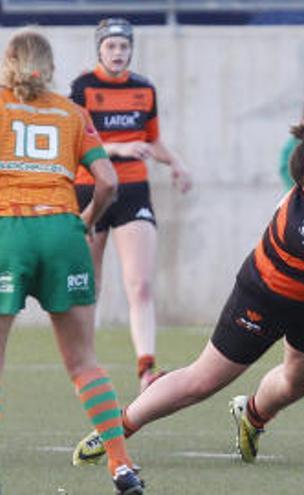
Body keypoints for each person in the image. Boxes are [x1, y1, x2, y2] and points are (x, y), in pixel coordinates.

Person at [71, 135, 304, 466]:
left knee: (302, 381)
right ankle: (115, 428)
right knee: (202, 380)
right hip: (266, 297)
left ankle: (252, 415)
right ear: (300, 187)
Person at [0, 29, 144, 494]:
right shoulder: (72, 111)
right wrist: (85, 221)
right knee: (84, 362)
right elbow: (107, 183)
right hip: (64, 230)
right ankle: (121, 466)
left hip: (9, 230)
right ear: (51, 66)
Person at [70, 18, 193, 392]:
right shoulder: (84, 87)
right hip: (90, 189)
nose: (118, 53)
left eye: (124, 47)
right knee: (89, 284)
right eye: (111, 47)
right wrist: (118, 148)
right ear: (99, 49)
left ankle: (146, 368)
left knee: (139, 284)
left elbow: (152, 141)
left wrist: (175, 163)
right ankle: (85, 363)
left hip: (134, 191)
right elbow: (76, 143)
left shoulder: (144, 89)